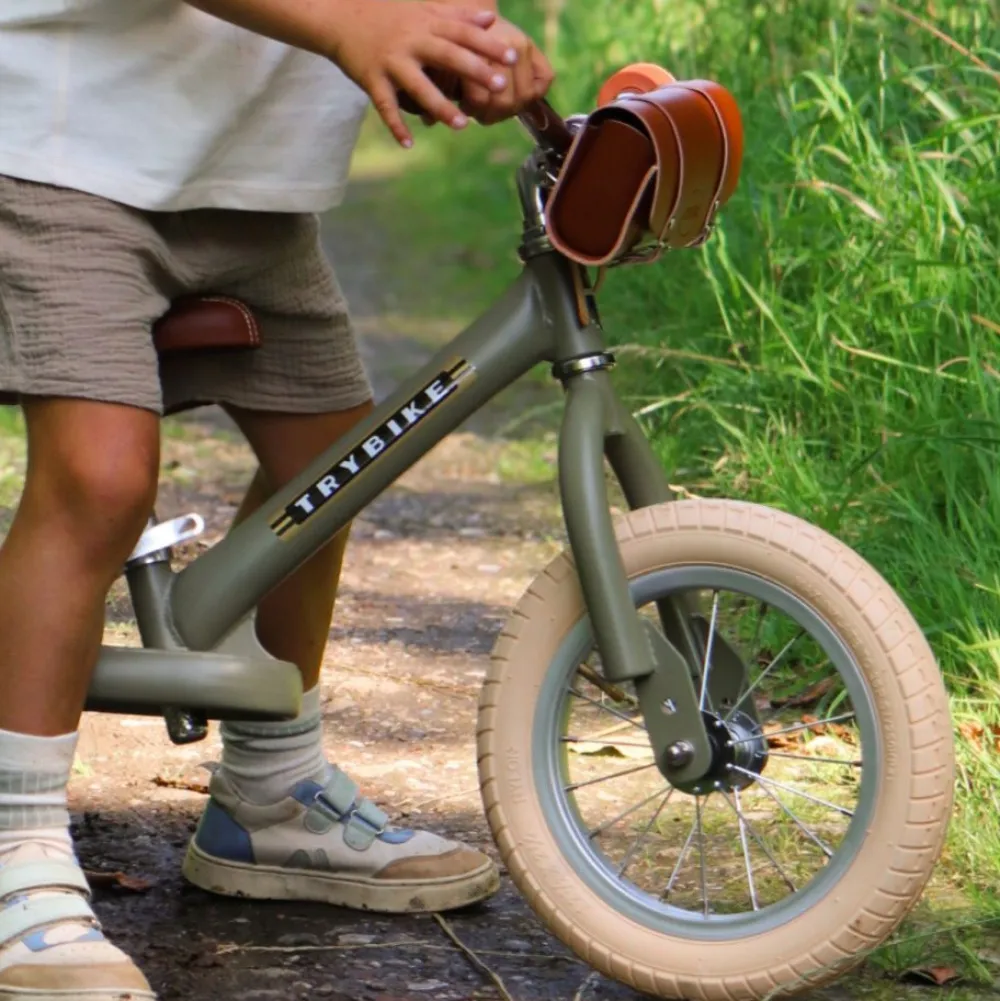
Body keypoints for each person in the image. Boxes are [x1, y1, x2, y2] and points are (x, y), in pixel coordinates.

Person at [0, 1, 553, 997]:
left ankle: (271, 787)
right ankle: (14, 839)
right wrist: (351, 27)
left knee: (335, 460)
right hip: (59, 155)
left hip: (245, 187)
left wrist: (466, 49)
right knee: (100, 473)